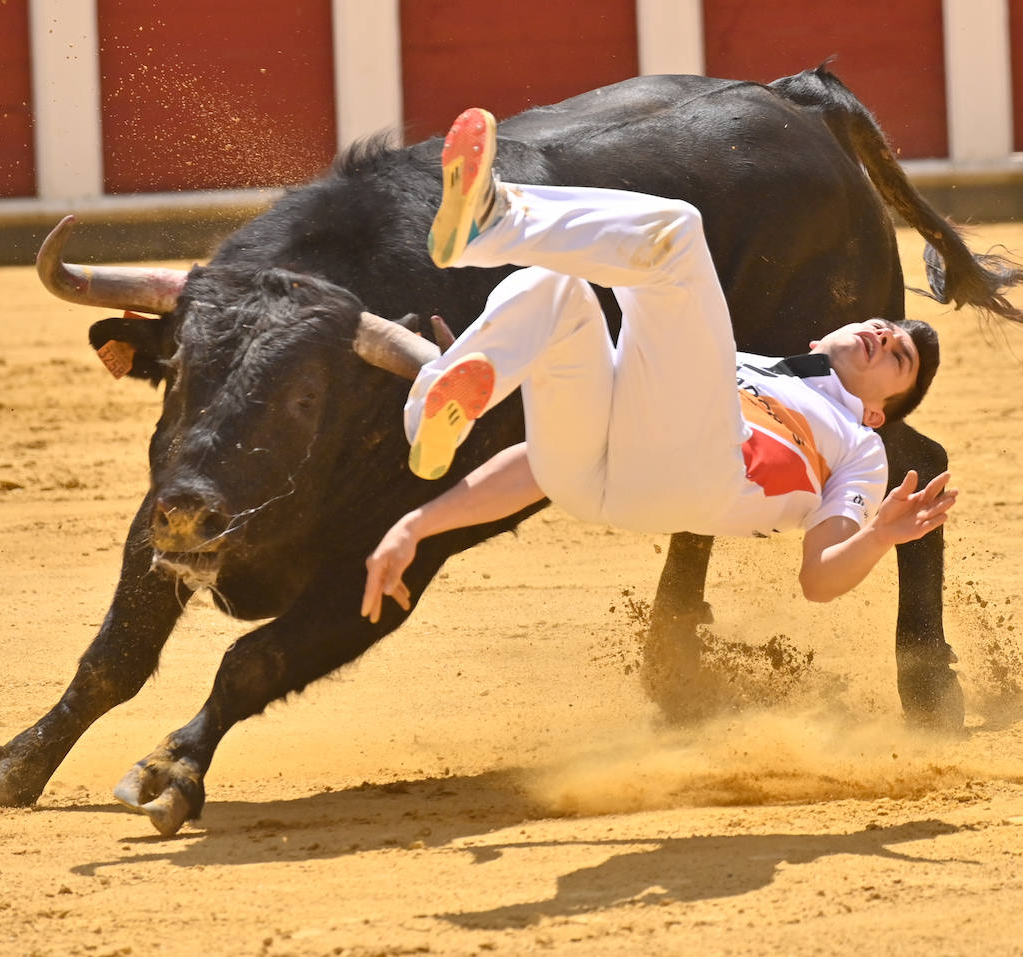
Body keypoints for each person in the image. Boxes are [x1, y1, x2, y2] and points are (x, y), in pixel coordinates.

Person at [361, 107, 956, 623]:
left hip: (707, 476)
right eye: (881, 323)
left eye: (899, 355)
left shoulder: (860, 445)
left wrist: (879, 535)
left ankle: (495, 221)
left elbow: (818, 582)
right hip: (592, 481)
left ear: (879, 411)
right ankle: (435, 405)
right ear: (833, 329)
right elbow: (537, 464)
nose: (884, 331)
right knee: (554, 293)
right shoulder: (741, 365)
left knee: (676, 233)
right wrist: (418, 523)